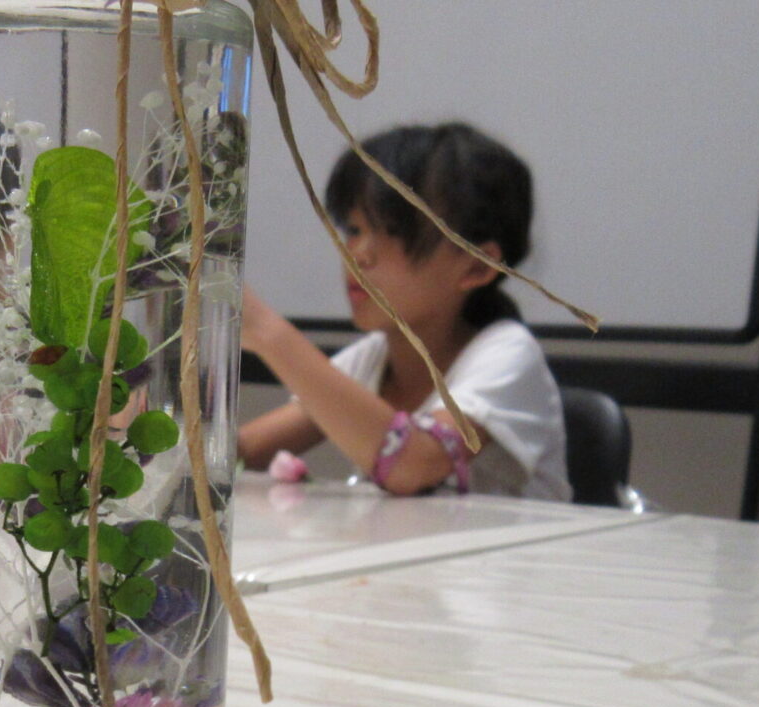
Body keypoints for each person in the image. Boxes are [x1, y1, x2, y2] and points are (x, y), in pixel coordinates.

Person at [238, 123, 569, 501]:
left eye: (393, 230)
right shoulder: (372, 357)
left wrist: (265, 331)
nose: (356, 253)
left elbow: (415, 464)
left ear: (476, 265)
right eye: (354, 229)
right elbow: (244, 451)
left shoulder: (508, 354)